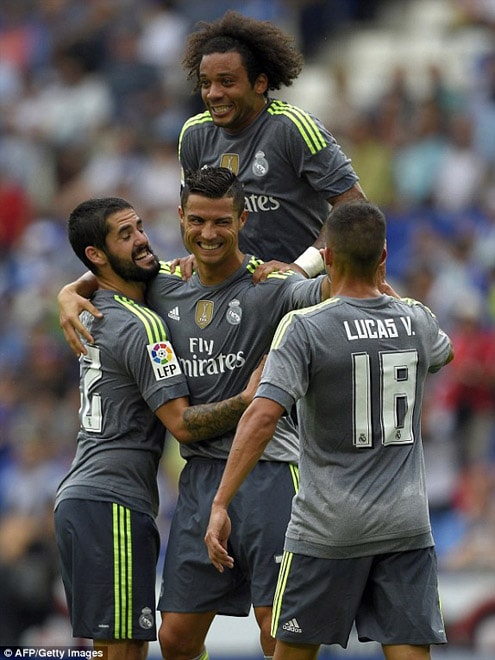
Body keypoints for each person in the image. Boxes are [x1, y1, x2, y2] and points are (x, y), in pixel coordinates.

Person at [57, 167, 332, 660]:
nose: (208, 234)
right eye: (198, 221)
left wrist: (306, 267)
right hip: (201, 476)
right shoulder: (160, 283)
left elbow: (339, 289)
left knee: (278, 631)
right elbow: (106, 273)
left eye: (222, 222)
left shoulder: (272, 287)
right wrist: (68, 291)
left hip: (268, 469)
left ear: (242, 220)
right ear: (181, 218)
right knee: (175, 638)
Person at [205, 200, 455, 660]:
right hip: (406, 524)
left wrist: (221, 502)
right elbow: (443, 353)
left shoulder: (304, 327)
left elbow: (261, 417)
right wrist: (383, 287)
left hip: (328, 527)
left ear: (331, 258)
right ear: (383, 257)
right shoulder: (417, 320)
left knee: (294, 653)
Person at [54, 195, 264, 660]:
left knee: (111, 650)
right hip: (114, 504)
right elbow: (185, 425)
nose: (143, 240)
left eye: (140, 228)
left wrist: (68, 291)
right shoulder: (143, 327)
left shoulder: (93, 310)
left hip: (84, 499)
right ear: (96, 255)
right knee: (124, 653)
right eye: (125, 235)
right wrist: (249, 400)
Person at [177, 10, 366, 280]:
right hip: (229, 288)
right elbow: (190, 211)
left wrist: (302, 268)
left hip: (299, 291)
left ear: (260, 83)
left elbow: (353, 203)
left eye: (227, 82)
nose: (213, 93)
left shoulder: (293, 128)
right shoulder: (193, 133)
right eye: (206, 83)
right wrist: (199, 253)